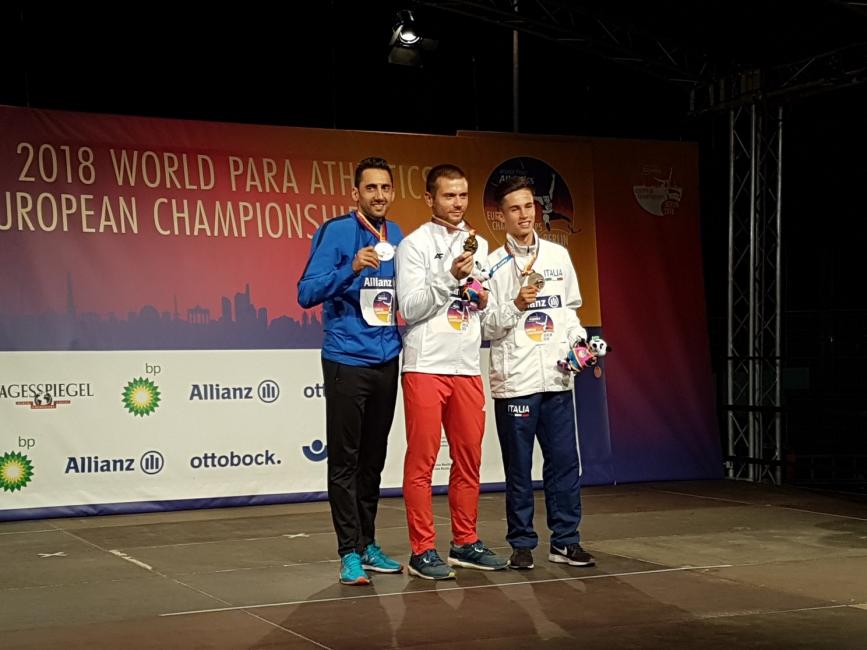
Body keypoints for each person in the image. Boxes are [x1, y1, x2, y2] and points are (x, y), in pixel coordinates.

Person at [395, 163, 508, 580]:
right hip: (426, 365)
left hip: (466, 366)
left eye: (462, 195)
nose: (457, 203)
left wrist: (483, 298)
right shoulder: (414, 245)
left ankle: (464, 542)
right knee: (422, 462)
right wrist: (449, 276)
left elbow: (481, 304)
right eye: (449, 195)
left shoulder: (478, 243)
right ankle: (422, 550)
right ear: (430, 199)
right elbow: (409, 309)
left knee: (469, 460)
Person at [297, 157, 404, 585]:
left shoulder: (397, 235)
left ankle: (367, 543)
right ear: (355, 193)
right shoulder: (335, 231)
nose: (379, 195)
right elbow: (306, 292)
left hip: (387, 359)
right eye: (371, 188)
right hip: (346, 359)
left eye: (385, 188)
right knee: (345, 461)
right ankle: (348, 553)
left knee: (373, 460)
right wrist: (352, 268)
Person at [481, 176, 596, 570]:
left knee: (564, 463)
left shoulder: (558, 256)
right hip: (516, 381)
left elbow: (571, 312)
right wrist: (515, 303)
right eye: (515, 208)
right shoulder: (491, 265)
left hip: (557, 378)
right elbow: (485, 326)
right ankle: (521, 543)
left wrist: (579, 346)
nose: (524, 215)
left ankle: (565, 541)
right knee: (518, 468)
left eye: (528, 206)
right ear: (502, 216)